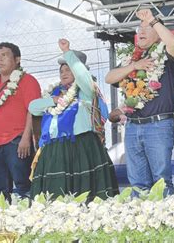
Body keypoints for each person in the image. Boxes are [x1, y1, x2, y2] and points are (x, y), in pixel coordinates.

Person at [105, 9, 174, 195]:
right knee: (138, 183)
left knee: (161, 181)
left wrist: (153, 20)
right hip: (133, 126)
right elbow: (109, 78)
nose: (140, 32)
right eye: (139, 29)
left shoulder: (165, 56)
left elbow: (172, 43)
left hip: (159, 125)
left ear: (158, 33)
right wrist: (134, 66)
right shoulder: (132, 59)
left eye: (147, 29)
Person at [29, 39, 119, 200]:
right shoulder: (53, 93)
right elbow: (33, 107)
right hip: (55, 149)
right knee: (55, 193)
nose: (63, 73)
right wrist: (54, 100)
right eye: (61, 70)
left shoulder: (85, 90)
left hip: (81, 146)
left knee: (85, 192)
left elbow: (84, 78)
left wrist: (67, 52)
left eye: (68, 69)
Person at [0, 42, 41, 199]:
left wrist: (26, 138)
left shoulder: (27, 80)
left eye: (4, 55)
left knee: (23, 187)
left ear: (17, 59)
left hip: (17, 142)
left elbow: (32, 111)